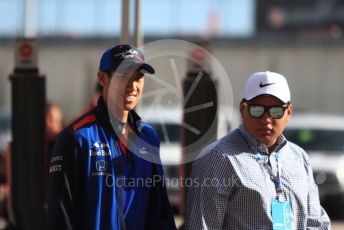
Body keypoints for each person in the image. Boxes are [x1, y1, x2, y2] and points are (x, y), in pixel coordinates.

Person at [48, 44, 176, 230]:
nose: (132, 86)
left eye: (138, 77)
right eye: (124, 76)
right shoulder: (76, 138)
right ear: (102, 78)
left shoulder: (149, 138)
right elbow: (61, 216)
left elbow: (160, 209)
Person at [185, 71, 331, 229]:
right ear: (243, 109)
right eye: (257, 109)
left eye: (276, 111)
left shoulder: (299, 157)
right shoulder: (217, 158)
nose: (266, 120)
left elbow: (316, 222)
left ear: (288, 112)